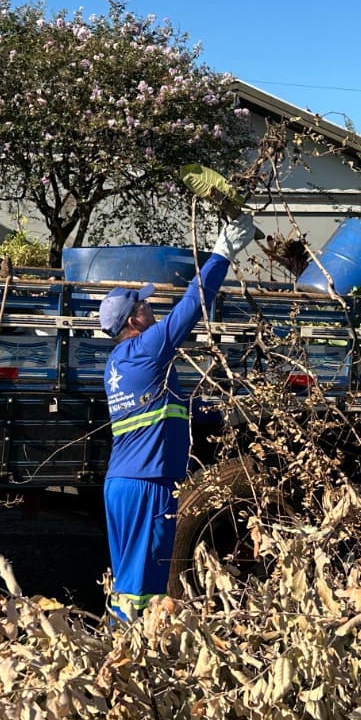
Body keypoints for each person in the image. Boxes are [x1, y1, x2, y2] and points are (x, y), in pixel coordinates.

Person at [98, 214, 258, 619]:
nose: (152, 307)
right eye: (146, 305)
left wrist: (222, 411)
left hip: (123, 482)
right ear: (134, 320)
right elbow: (192, 307)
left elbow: (164, 412)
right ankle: (128, 660)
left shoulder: (117, 363)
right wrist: (221, 253)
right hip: (147, 485)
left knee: (126, 583)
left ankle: (121, 653)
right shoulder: (148, 349)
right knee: (143, 588)